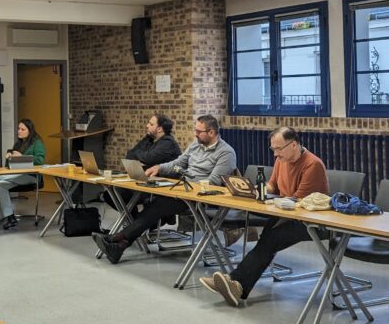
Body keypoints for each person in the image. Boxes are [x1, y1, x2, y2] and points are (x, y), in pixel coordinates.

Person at [200, 127, 329, 307]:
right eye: (273, 149)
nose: (275, 154)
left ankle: (235, 283)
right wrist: (253, 190)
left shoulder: (312, 165)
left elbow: (299, 201)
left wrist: (272, 202)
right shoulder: (282, 160)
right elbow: (272, 186)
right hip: (287, 215)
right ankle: (235, 284)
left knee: (269, 241)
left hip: (311, 221)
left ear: (293, 145)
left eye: (278, 149)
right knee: (266, 243)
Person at [92, 115, 237, 264]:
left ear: (211, 132)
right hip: (183, 190)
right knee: (156, 203)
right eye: (195, 130)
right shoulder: (196, 145)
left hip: (201, 198)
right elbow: (178, 163)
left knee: (159, 205)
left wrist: (185, 183)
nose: (195, 134)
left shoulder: (226, 153)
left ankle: (117, 238)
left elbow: (213, 182)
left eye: (199, 131)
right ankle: (120, 244)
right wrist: (159, 168)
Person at [101, 113, 181, 212]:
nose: (147, 125)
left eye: (151, 124)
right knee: (110, 194)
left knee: (118, 194)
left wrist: (138, 154)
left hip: (162, 187)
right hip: (145, 181)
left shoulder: (168, 143)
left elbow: (148, 159)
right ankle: (132, 219)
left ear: (160, 129)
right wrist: (143, 150)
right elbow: (129, 155)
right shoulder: (150, 139)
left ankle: (134, 219)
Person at [0, 119, 46, 230]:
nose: (19, 131)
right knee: (0, 186)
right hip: (16, 175)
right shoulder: (18, 143)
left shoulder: (37, 143)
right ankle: (10, 218)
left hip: (32, 176)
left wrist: (21, 156)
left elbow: (40, 161)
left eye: (23, 129)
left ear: (30, 130)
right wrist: (10, 155)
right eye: (18, 129)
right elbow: (12, 162)